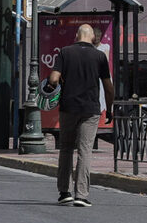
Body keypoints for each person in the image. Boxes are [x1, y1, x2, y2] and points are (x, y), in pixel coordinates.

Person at [48, 23, 114, 208]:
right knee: (85, 150)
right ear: (92, 37)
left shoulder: (65, 52)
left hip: (68, 106)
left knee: (66, 148)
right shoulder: (99, 56)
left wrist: (54, 86)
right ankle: (81, 195)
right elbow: (108, 87)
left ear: (77, 36)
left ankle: (64, 192)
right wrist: (109, 109)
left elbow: (53, 79)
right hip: (90, 109)